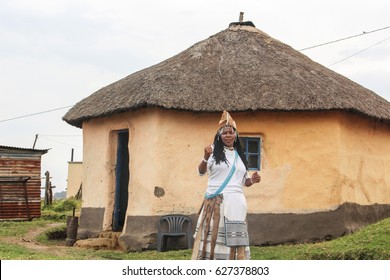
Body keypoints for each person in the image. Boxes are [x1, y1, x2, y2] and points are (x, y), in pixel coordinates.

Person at [191, 110, 261, 260]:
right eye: (224, 133)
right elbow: (201, 172)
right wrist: (205, 157)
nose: (228, 135)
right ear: (219, 136)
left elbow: (244, 182)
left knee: (235, 240)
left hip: (237, 204)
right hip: (217, 204)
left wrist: (252, 181)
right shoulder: (213, 151)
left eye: (231, 132)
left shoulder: (240, 156)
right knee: (215, 240)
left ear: (236, 135)